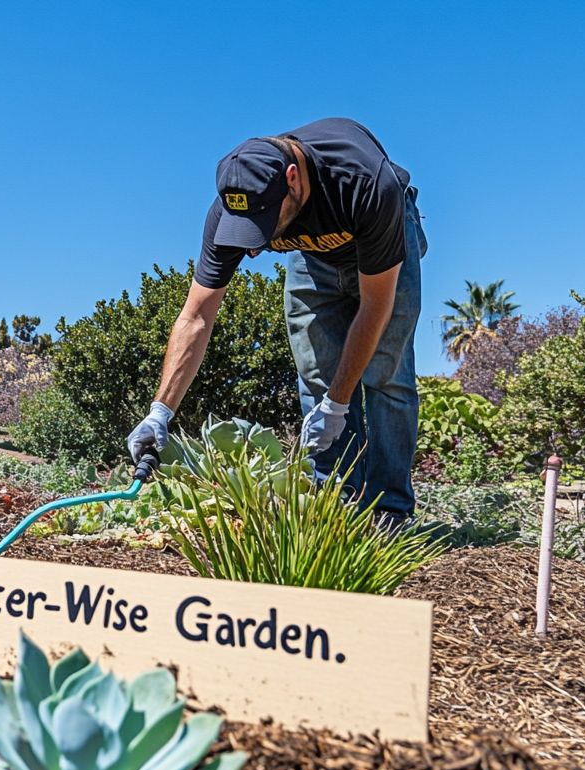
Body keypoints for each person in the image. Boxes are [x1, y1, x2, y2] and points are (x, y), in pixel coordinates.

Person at [126, 117, 427, 523]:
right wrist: (160, 410)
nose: (256, 244)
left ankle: (390, 510)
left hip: (382, 251)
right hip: (313, 261)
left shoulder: (364, 182)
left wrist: (339, 404)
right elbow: (197, 315)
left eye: (264, 224)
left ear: (293, 178)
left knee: (386, 374)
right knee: (317, 376)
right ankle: (337, 507)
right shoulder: (232, 207)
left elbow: (375, 307)